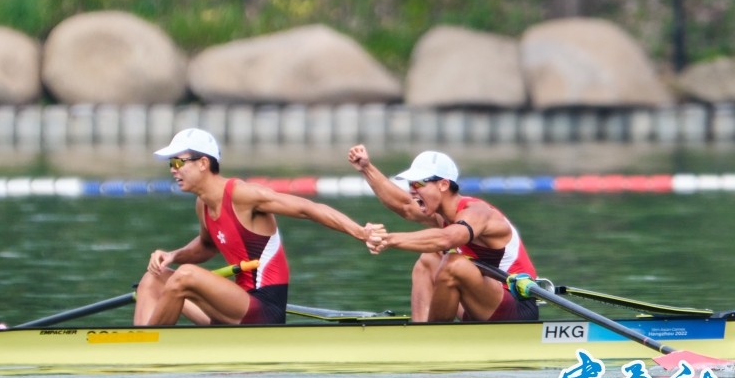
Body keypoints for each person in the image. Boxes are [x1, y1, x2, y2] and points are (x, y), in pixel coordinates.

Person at [133, 128, 385, 326]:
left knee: (186, 275)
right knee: (152, 278)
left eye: (178, 162)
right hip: (235, 304)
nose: (173, 170)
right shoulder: (203, 204)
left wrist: (360, 232)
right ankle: (135, 346)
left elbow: (309, 208)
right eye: (171, 164)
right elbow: (206, 247)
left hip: (264, 308)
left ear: (203, 163)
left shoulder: (243, 195)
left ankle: (146, 348)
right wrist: (172, 255)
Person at [348, 145, 538, 323]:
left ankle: (433, 338)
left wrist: (389, 239)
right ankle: (419, 332)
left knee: (453, 264)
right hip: (481, 305)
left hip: (517, 309)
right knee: (429, 259)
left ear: (444, 184)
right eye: (410, 184)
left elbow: (448, 238)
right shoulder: (443, 216)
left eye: (418, 183)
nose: (412, 190)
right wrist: (366, 168)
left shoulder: (478, 212)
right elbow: (404, 206)